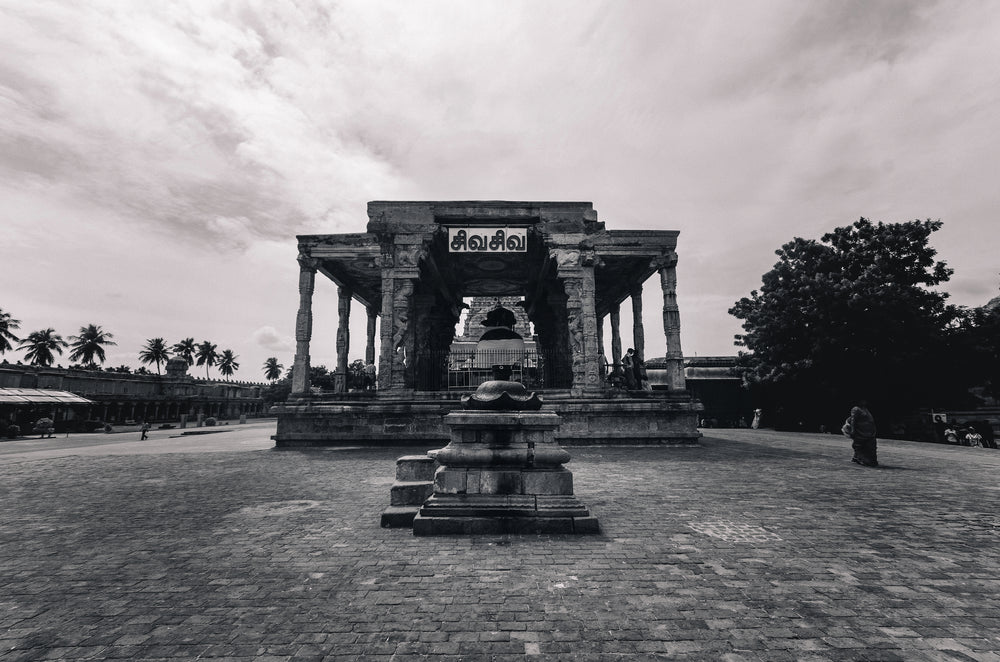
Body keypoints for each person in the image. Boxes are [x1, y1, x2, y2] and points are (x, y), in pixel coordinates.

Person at [842, 400, 878, 467]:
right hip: (861, 433)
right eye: (863, 400)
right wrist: (853, 431)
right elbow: (853, 420)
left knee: (873, 460)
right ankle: (858, 457)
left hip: (869, 433)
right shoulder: (856, 409)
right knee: (860, 447)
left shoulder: (865, 409)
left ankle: (856, 457)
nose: (865, 402)